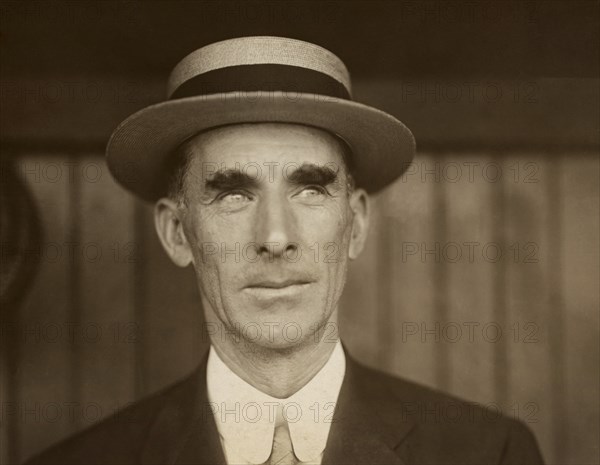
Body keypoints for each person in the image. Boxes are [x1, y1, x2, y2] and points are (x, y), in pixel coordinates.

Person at [26, 36, 544, 465]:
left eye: (311, 189)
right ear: (177, 233)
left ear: (356, 222)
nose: (275, 236)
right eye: (233, 193)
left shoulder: (488, 453)